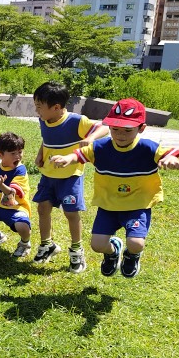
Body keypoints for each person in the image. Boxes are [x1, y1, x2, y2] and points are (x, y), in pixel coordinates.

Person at [50, 98, 179, 278]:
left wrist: (170, 159)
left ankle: (131, 255)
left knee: (136, 243)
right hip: (108, 205)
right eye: (115, 129)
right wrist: (67, 159)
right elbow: (81, 154)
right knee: (97, 245)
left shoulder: (147, 148)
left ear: (141, 128)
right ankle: (113, 252)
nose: (120, 135)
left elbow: (167, 153)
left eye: (127, 130)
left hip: (137, 206)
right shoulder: (101, 147)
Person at [32, 81, 108, 273]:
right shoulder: (44, 120)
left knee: (71, 213)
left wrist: (90, 138)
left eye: (39, 107)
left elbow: (104, 127)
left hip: (70, 176)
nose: (36, 111)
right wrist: (41, 153)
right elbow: (47, 139)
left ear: (56, 107)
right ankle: (47, 245)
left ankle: (76, 250)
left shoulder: (76, 121)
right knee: (43, 208)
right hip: (48, 174)